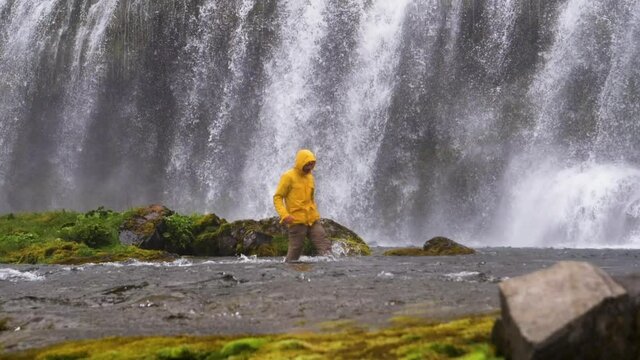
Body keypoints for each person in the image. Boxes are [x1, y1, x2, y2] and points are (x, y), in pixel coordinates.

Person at [273, 149, 332, 262]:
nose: (310, 167)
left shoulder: (310, 177)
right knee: (294, 254)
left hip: (312, 220)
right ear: (301, 162)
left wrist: (315, 213)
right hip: (296, 221)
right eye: (308, 163)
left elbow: (311, 198)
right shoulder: (288, 176)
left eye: (312, 164)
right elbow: (278, 197)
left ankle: (330, 271)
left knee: (325, 245)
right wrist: (284, 215)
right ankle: (289, 271)